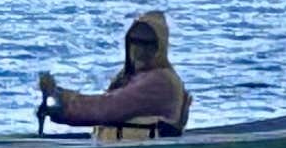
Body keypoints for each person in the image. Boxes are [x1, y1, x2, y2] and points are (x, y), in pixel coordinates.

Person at [38, 13, 190, 141]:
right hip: (112, 146)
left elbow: (106, 108)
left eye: (148, 44)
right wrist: (56, 95)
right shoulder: (130, 77)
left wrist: (61, 105)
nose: (139, 49)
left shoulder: (160, 81)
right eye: (134, 42)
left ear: (159, 47)